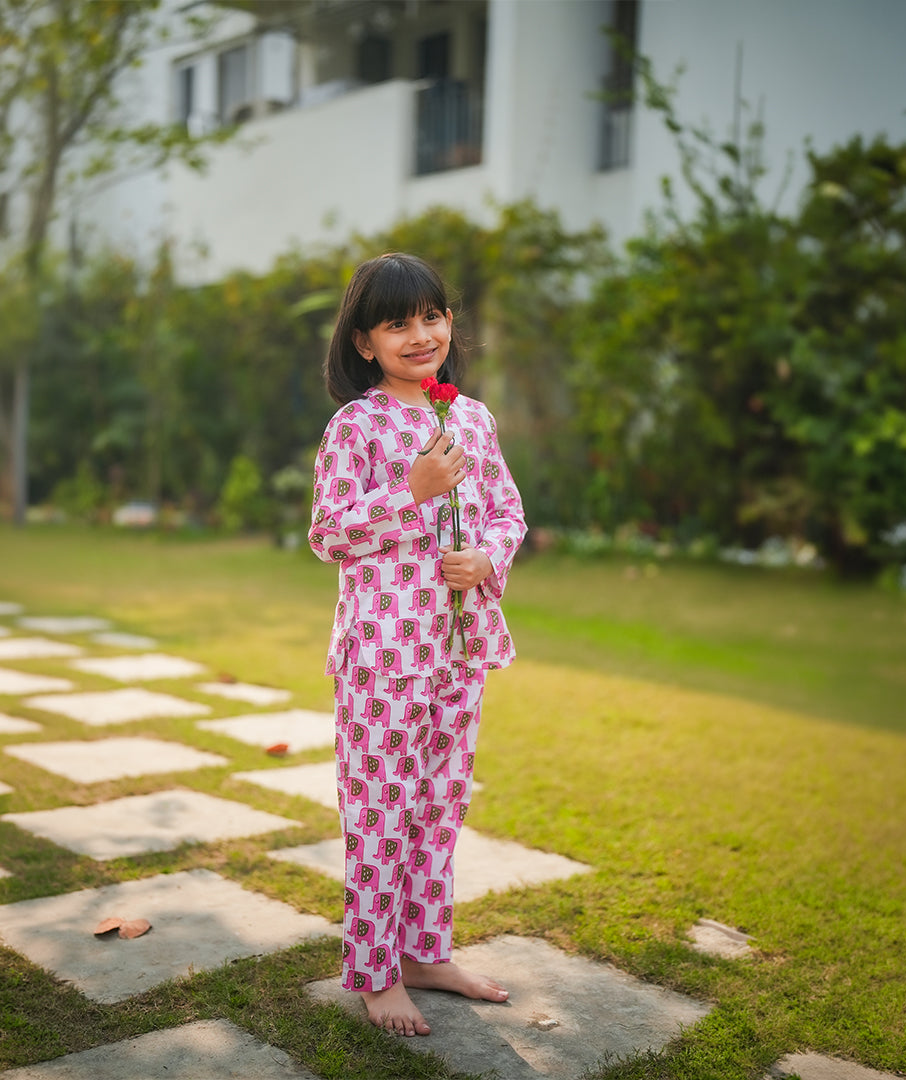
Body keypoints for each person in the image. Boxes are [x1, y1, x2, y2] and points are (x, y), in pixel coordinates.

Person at [308, 252, 527, 1037]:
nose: (420, 334)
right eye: (397, 323)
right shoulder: (356, 426)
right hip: (383, 656)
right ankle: (374, 971)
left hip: (460, 648)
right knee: (381, 809)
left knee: (439, 804)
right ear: (364, 342)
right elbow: (329, 532)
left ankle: (426, 952)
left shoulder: (473, 419)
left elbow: (507, 512)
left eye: (431, 316)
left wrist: (487, 559)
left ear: (449, 323)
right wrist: (411, 492)